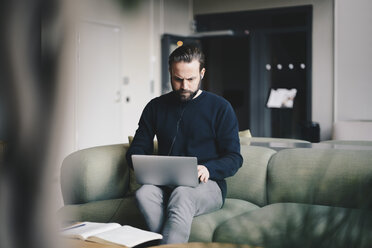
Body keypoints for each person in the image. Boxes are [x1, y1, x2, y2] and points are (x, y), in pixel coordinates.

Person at [126, 44, 243, 244]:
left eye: (191, 79)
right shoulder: (155, 107)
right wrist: (141, 162)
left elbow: (234, 158)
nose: (184, 86)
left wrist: (208, 168)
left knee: (182, 194)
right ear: (170, 73)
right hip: (164, 184)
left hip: (208, 185)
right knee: (144, 193)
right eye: (178, 79)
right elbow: (136, 149)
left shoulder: (221, 108)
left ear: (202, 73)